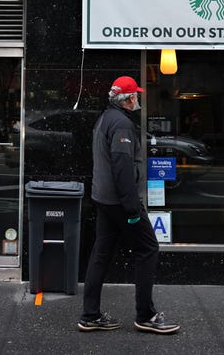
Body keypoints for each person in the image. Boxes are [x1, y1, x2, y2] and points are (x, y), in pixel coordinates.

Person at [77, 76, 180, 335]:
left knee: (100, 254)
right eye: (135, 95)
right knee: (148, 249)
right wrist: (132, 208)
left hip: (103, 199)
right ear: (128, 99)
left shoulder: (104, 118)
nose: (138, 99)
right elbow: (122, 167)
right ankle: (145, 315)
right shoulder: (122, 125)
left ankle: (90, 315)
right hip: (120, 202)